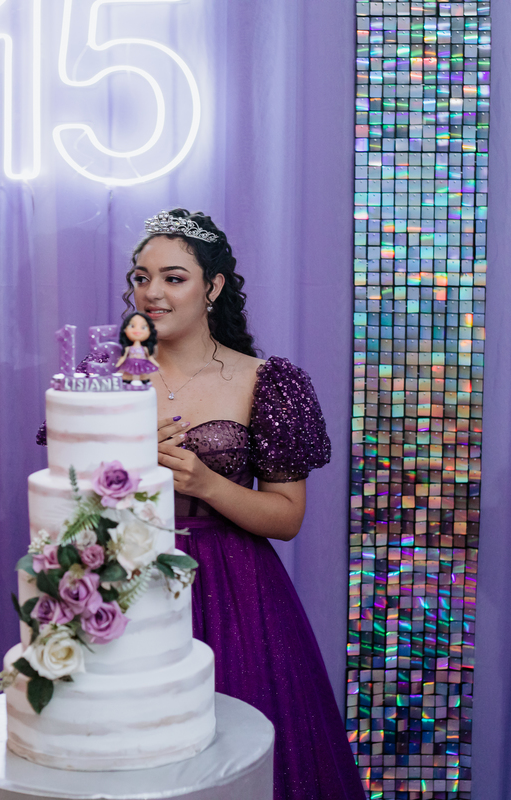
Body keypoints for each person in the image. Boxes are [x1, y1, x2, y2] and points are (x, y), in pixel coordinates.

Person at [129, 209, 365, 799]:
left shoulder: (267, 381)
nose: (152, 292)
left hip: (235, 592)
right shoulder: (105, 378)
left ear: (213, 287)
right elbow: (73, 495)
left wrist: (206, 483)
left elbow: (287, 517)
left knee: (235, 757)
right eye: (141, 277)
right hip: (128, 584)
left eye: (174, 278)